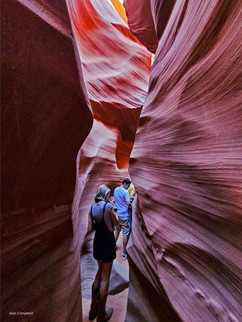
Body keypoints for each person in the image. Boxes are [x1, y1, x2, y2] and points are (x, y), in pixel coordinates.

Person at [88, 184, 119, 322]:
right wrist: (112, 207)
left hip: (97, 241)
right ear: (106, 194)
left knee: (99, 272)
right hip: (107, 241)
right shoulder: (108, 206)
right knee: (105, 277)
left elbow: (90, 228)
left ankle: (92, 309)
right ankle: (101, 315)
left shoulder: (91, 208)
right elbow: (116, 222)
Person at [113, 178, 131, 260]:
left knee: (117, 230)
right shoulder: (126, 191)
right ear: (124, 183)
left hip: (117, 215)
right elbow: (128, 203)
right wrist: (131, 204)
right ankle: (124, 253)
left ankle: (113, 246)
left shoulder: (116, 189)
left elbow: (117, 199)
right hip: (124, 215)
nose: (128, 187)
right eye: (128, 185)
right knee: (125, 233)